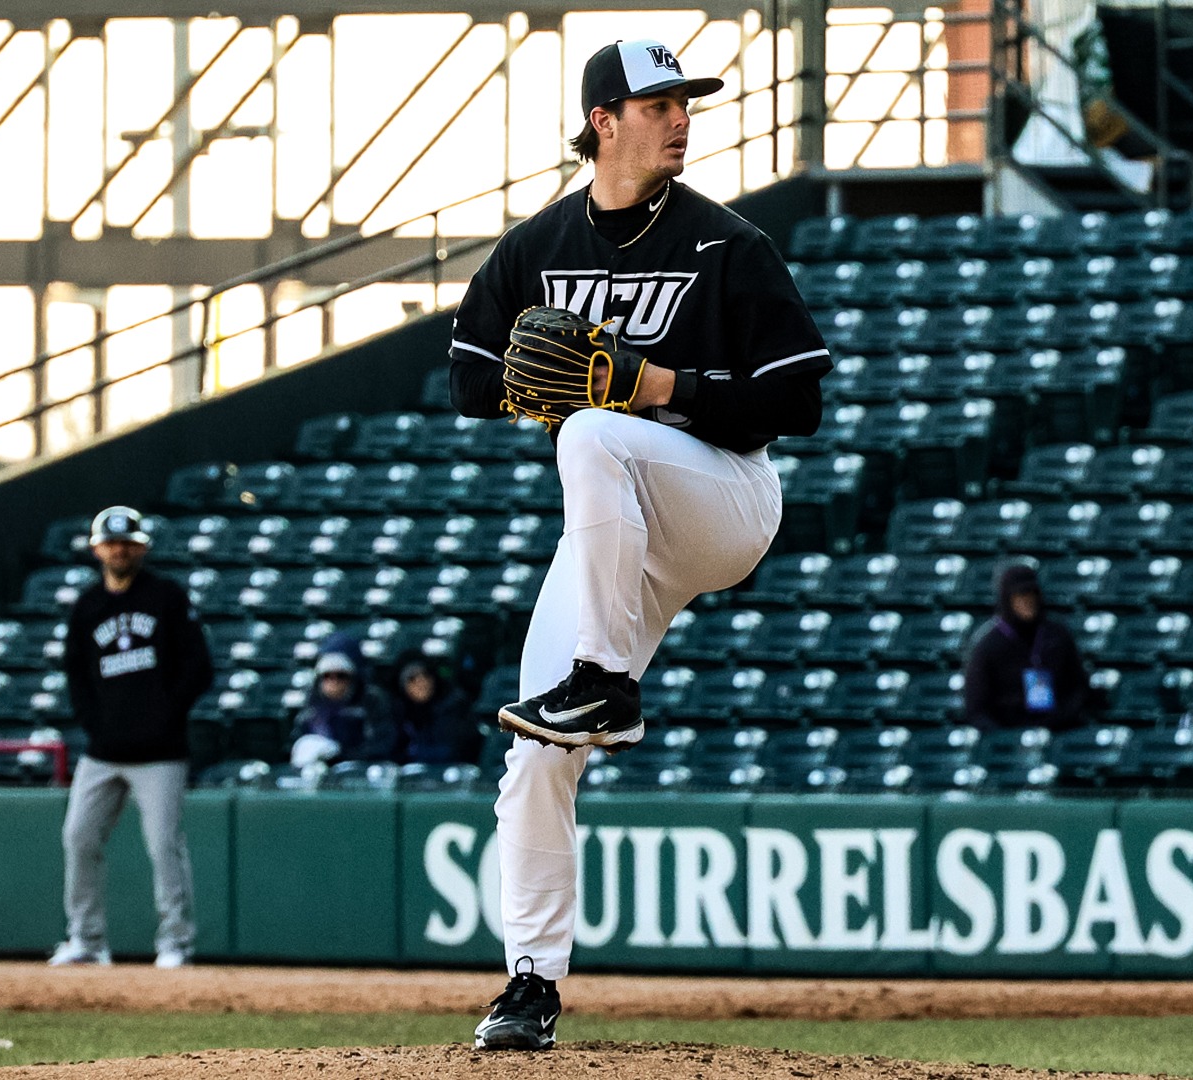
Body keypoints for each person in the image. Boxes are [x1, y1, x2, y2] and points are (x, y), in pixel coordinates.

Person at [446, 38, 828, 1051]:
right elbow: (469, 375)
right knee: (535, 750)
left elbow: (798, 399)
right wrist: (522, 390)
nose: (680, 117)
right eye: (657, 102)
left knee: (596, 426)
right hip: (613, 531)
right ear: (602, 121)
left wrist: (656, 385)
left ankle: (605, 681)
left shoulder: (725, 244)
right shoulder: (537, 247)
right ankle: (529, 982)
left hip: (721, 499)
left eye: (684, 102)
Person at [52, 505, 215, 969]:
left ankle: (174, 942)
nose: (120, 550)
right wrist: (94, 723)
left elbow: (199, 667)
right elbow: (76, 674)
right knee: (78, 836)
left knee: (164, 845)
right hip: (103, 750)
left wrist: (164, 714)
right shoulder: (87, 605)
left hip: (160, 751)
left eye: (128, 543)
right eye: (112, 543)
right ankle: (86, 939)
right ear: (98, 548)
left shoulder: (165, 595)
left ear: (141, 547)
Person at [960, 563, 1087, 731]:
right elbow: (977, 708)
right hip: (1007, 738)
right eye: (1019, 595)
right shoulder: (987, 645)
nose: (1027, 601)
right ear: (1007, 599)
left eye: (1031, 593)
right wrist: (1005, 737)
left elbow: (1078, 688)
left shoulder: (1058, 635)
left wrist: (1059, 722)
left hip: (1058, 730)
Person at [289, 651, 395, 768]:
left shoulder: (370, 705)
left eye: (341, 676)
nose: (334, 682)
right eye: (327, 676)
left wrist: (340, 754)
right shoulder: (309, 713)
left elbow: (380, 745)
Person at [392, 653, 478, 766]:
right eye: (412, 678)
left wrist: (411, 754)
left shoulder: (454, 704)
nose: (421, 683)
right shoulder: (398, 710)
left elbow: (451, 751)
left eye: (426, 675)